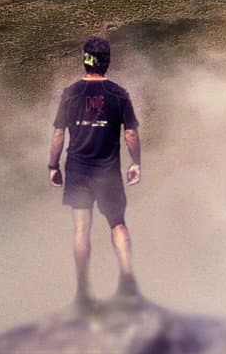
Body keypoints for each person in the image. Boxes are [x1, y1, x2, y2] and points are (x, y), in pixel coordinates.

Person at [47, 36, 143, 309]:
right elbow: (131, 133)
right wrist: (136, 163)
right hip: (107, 170)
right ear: (107, 61)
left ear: (85, 60)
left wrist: (53, 166)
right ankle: (127, 281)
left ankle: (83, 290)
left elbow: (58, 134)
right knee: (118, 224)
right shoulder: (119, 94)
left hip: (78, 168)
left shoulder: (70, 93)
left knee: (81, 228)